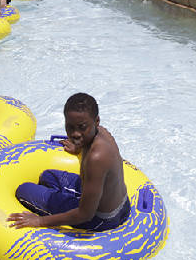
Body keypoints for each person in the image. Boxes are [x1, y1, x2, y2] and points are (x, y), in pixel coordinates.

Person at [8, 93, 130, 231]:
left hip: (101, 219)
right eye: (70, 127)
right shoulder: (101, 132)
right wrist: (78, 147)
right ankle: (63, 199)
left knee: (23, 190)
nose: (75, 134)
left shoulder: (96, 158)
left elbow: (85, 214)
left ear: (97, 121)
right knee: (47, 176)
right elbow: (84, 136)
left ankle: (57, 204)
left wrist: (39, 221)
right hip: (121, 204)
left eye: (82, 127)